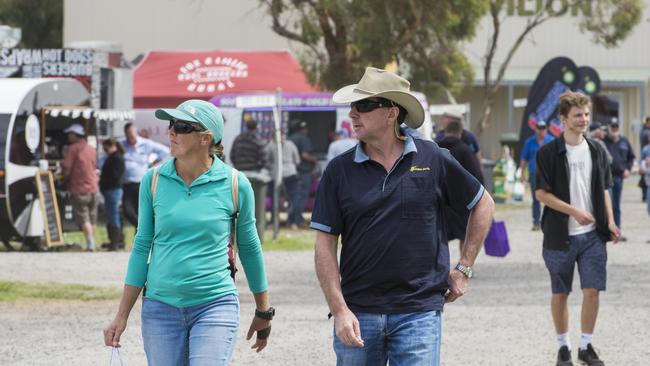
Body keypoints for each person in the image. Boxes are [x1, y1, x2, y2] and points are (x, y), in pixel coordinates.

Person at [311, 67, 494, 365]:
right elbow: (324, 246)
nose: (353, 114)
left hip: (418, 312)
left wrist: (464, 268)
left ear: (391, 113)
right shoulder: (338, 170)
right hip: (358, 312)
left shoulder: (433, 158)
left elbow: (483, 204)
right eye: (353, 106)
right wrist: (340, 309)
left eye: (364, 106)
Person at [103, 100, 274, 365]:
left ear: (206, 138)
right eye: (171, 124)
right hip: (160, 308)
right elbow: (141, 247)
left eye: (181, 126)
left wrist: (264, 311)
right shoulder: (153, 180)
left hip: (215, 305)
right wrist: (121, 315)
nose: (171, 131)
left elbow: (250, 249)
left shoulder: (235, 184)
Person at [535, 91, 621, 366]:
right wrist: (574, 211)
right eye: (578, 115)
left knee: (592, 291)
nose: (584, 120)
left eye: (586, 115)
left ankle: (586, 346)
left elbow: (605, 189)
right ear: (563, 119)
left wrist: (610, 222)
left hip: (593, 237)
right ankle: (563, 348)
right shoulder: (548, 152)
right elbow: (541, 194)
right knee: (560, 293)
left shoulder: (597, 150)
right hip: (560, 236)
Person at [437, 118, 484, 254]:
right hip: (462, 202)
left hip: (439, 200)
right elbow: (477, 177)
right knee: (465, 235)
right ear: (460, 133)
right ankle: (462, 266)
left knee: (439, 236)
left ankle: (437, 267)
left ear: (445, 132)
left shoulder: (435, 148)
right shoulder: (464, 150)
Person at [121, 122, 170, 228]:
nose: (131, 137)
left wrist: (153, 165)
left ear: (136, 132)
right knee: (127, 211)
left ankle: (140, 238)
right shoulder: (121, 144)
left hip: (141, 182)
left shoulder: (146, 143)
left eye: (132, 134)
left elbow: (166, 152)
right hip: (127, 183)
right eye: (128, 135)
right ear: (125, 134)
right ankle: (141, 228)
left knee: (142, 211)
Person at [230, 119, 272, 243]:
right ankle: (258, 239)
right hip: (256, 178)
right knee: (257, 212)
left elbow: (232, 155)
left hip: (239, 177)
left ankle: (236, 239)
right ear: (256, 127)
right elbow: (264, 158)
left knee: (237, 211)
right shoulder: (258, 140)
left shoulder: (238, 139)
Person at [61, 123, 99, 252]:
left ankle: (90, 244)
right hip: (94, 187)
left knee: (83, 217)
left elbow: (66, 168)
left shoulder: (72, 149)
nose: (68, 136)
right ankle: (91, 243)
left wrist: (61, 178)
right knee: (92, 217)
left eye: (69, 134)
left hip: (79, 187)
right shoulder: (91, 148)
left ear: (74, 135)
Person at [519, 120, 554, 231]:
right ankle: (536, 222)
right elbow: (524, 158)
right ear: (536, 129)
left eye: (543, 128)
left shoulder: (551, 140)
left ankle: (550, 223)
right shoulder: (529, 142)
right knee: (536, 198)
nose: (541, 131)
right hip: (534, 174)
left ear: (546, 129)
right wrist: (522, 173)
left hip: (549, 173)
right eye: (539, 128)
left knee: (551, 198)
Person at [603, 117, 635, 240]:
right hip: (606, 178)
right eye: (612, 126)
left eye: (616, 126)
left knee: (616, 206)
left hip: (618, 178)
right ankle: (607, 231)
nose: (614, 128)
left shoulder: (624, 141)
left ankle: (616, 232)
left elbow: (631, 157)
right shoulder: (603, 141)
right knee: (607, 205)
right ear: (609, 128)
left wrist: (628, 168)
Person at [288, 120, 317, 229]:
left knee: (294, 197)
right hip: (303, 171)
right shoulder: (304, 138)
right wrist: (315, 160)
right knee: (301, 197)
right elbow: (305, 155)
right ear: (304, 129)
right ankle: (297, 220)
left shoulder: (290, 138)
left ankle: (291, 219)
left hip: (292, 172)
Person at [100, 138, 126, 251]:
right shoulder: (112, 157)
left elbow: (115, 176)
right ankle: (115, 240)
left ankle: (115, 242)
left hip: (113, 189)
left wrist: (102, 179)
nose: (105, 151)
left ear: (111, 146)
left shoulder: (117, 158)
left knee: (113, 215)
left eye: (106, 148)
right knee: (112, 215)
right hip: (110, 190)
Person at [638, 116, 650, 202]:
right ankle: (645, 195)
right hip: (646, 154)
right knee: (645, 176)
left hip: (644, 153)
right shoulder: (646, 132)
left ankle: (644, 195)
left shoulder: (643, 131)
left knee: (644, 176)